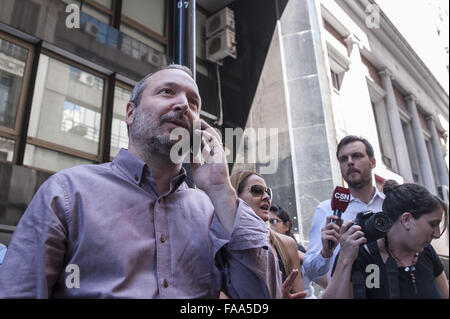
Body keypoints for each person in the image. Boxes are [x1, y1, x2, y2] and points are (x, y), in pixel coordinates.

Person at [0, 65, 281, 298]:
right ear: (130, 113)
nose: (184, 105)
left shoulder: (214, 211)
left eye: (194, 102)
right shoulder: (67, 192)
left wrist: (221, 190)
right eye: (167, 92)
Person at [323, 180, 449, 299]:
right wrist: (345, 259)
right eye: (433, 224)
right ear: (406, 220)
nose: (437, 234)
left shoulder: (426, 252)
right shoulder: (360, 255)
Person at [303, 136, 385, 284]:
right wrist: (325, 252)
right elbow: (311, 272)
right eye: (343, 159)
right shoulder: (326, 210)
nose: (350, 162)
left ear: (372, 162)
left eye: (357, 156)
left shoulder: (389, 204)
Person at [230, 170, 306, 299]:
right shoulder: (221, 246)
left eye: (267, 192)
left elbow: (300, 295)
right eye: (257, 190)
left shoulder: (287, 245)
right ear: (235, 197)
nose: (266, 197)